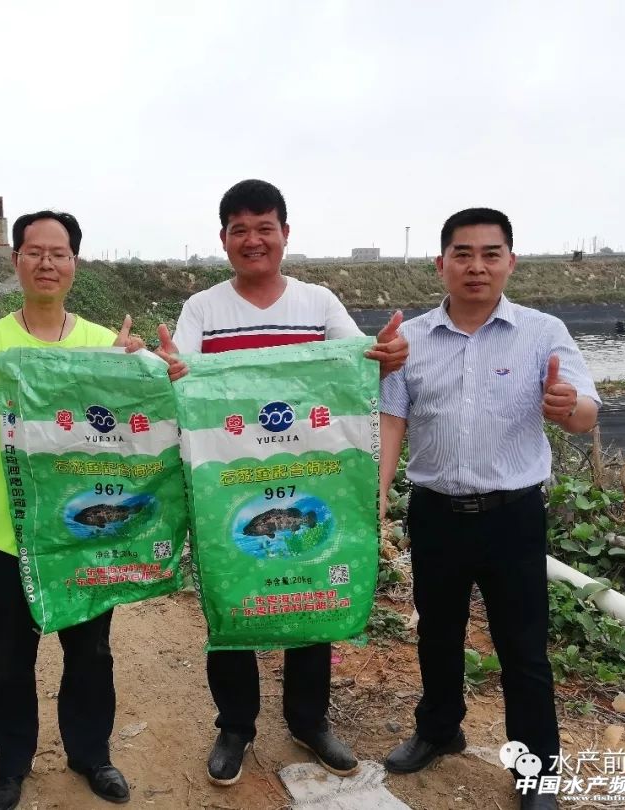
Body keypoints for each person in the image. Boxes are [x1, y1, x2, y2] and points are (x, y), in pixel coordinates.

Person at [156, 178, 409, 786]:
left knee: (310, 583)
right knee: (230, 592)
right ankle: (235, 724)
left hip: (307, 475)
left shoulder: (318, 304)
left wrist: (387, 356)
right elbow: (178, 378)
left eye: (264, 227)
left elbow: (359, 369)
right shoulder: (203, 309)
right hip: (228, 482)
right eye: (239, 230)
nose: (253, 240)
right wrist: (167, 369)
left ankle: (308, 719)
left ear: (285, 234)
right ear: (223, 239)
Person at [378, 208, 599, 810]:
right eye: (463, 254)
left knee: (523, 648)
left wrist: (567, 407)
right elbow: (392, 419)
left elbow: (585, 412)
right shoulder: (410, 340)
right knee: (437, 633)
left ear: (510, 261)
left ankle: (538, 771)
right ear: (441, 263)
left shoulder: (543, 332)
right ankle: (439, 729)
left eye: (490, 254)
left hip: (512, 516)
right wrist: (378, 494)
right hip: (435, 513)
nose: (476, 266)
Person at [0, 210, 143, 810]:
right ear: (17, 261)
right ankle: (11, 764)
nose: (46, 263)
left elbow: (134, 432)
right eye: (34, 252)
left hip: (89, 537)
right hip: (13, 535)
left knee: (91, 652)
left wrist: (139, 371)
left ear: (74, 264)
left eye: (58, 253)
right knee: (11, 657)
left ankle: (91, 754)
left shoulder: (103, 342)